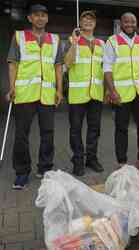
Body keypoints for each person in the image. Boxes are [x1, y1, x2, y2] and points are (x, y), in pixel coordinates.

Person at [6, 4, 63, 189]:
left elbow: (58, 66)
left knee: (48, 133)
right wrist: (12, 87)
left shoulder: (55, 40)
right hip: (24, 94)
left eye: (43, 15)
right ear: (30, 18)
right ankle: (21, 172)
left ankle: (45, 168)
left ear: (47, 19)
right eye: (36, 15)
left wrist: (59, 90)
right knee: (21, 135)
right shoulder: (19, 37)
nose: (40, 18)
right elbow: (13, 63)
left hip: (47, 94)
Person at [103, 12, 139, 170]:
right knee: (121, 128)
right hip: (121, 93)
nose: (130, 24)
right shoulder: (112, 41)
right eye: (126, 21)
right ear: (121, 23)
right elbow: (107, 68)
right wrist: (112, 91)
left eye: (133, 22)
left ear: (136, 23)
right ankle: (122, 161)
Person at [64, 11, 105, 176]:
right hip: (77, 94)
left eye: (91, 19)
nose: (88, 21)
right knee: (75, 129)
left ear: (95, 23)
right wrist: (74, 42)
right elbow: (67, 63)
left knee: (94, 129)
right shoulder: (71, 40)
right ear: (79, 22)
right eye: (84, 19)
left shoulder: (101, 43)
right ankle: (78, 160)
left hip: (96, 93)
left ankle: (92, 159)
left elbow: (105, 68)